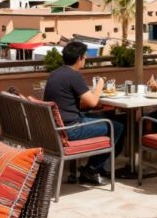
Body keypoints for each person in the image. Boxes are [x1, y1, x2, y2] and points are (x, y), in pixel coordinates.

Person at [43, 41, 125, 185]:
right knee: (116, 127)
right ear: (79, 58)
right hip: (70, 129)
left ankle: (95, 168)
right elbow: (93, 102)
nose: (85, 59)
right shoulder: (74, 75)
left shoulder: (55, 73)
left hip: (57, 126)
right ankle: (91, 169)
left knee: (105, 117)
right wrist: (100, 84)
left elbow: (73, 101)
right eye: (85, 57)